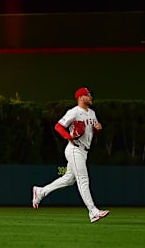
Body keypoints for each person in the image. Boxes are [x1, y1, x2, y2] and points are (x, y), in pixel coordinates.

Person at [31, 87, 109, 223]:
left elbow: (91, 133)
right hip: (74, 149)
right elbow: (58, 126)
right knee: (83, 180)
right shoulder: (74, 112)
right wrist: (69, 136)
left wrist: (97, 129)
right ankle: (93, 211)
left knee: (69, 179)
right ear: (80, 98)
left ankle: (41, 191)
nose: (91, 97)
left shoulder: (92, 113)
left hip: (84, 150)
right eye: (88, 95)